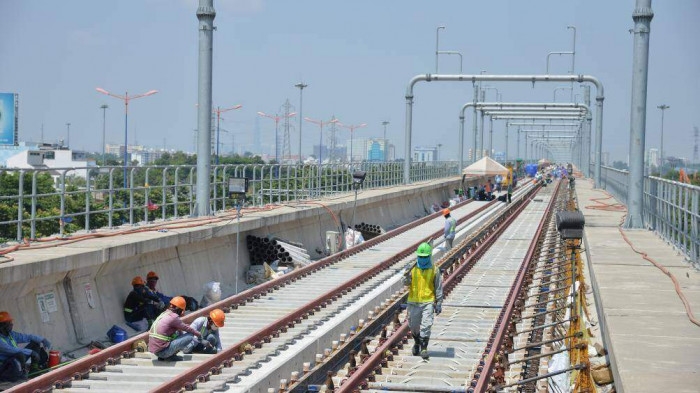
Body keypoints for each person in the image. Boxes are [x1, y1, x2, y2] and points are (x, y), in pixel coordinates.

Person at [403, 243, 443, 360]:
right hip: (413, 302)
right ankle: (417, 342)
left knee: (426, 325)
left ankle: (424, 348)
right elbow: (406, 283)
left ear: (429, 256)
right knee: (414, 326)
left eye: (425, 257)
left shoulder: (434, 270)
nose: (423, 259)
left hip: (428, 302)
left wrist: (439, 302)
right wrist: (405, 277)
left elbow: (438, 287)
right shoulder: (412, 268)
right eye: (421, 256)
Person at [0, 311, 51, 383]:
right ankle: (22, 373)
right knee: (20, 354)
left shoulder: (11, 334)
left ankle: (34, 369)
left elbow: (28, 337)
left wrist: (42, 339)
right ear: (2, 326)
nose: (11, 324)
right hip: (5, 366)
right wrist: (31, 352)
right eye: (9, 323)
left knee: (35, 343)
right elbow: (11, 350)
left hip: (15, 360)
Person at [148, 297, 202, 361]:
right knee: (190, 335)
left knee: (177, 333)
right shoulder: (173, 317)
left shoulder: (164, 313)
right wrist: (198, 334)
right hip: (163, 352)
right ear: (178, 309)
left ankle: (166, 355)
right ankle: (170, 356)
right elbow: (187, 328)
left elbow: (180, 328)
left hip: (156, 352)